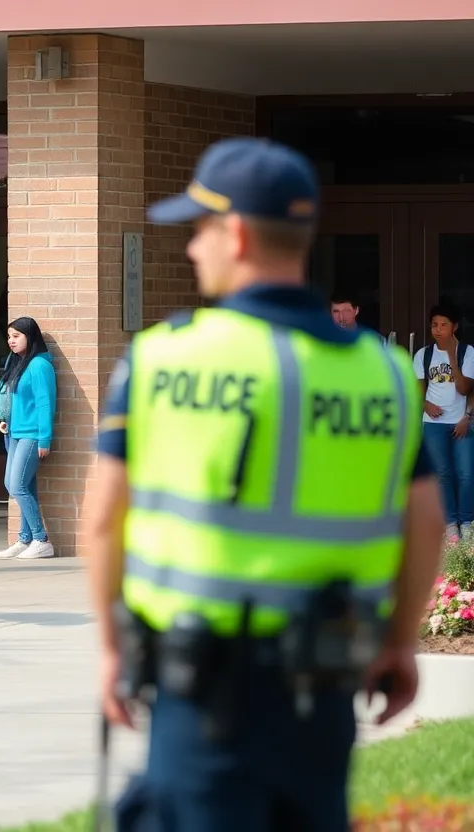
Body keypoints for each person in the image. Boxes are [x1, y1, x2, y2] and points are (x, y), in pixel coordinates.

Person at [85, 137, 444, 831]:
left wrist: (108, 651)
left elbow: (101, 517)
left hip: (202, 695)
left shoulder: (162, 360)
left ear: (238, 234)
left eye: (198, 230)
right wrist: (400, 643)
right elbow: (426, 522)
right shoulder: (386, 371)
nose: (191, 249)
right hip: (327, 691)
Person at [0, 317, 56, 559]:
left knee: (15, 485)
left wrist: (45, 439)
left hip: (32, 435)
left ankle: (41, 540)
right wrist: (7, 421)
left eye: (16, 336)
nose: (11, 341)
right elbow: (19, 401)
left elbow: (44, 403)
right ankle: (25, 538)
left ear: (30, 337)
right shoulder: (20, 363)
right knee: (24, 485)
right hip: (14, 432)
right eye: (9, 336)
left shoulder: (40, 366)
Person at [413, 302, 474, 544]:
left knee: (466, 473)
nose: (438, 330)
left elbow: (463, 387)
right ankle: (450, 524)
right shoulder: (423, 354)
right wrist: (425, 405)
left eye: (443, 325)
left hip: (461, 422)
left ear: (455, 327)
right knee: (442, 474)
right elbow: (418, 391)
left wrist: (451, 353)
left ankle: (467, 522)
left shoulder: (467, 352)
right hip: (434, 423)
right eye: (434, 325)